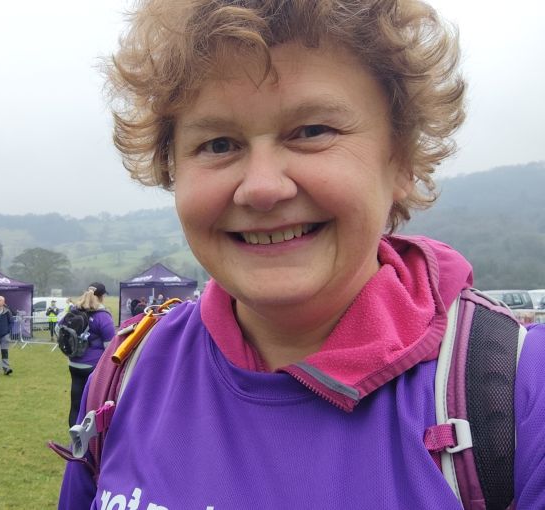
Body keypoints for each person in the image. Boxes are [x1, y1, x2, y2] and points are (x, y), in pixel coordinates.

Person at [58, 1, 545, 509]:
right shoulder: (128, 371)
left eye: (312, 132)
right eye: (219, 144)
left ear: (400, 160)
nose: (262, 187)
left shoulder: (520, 395)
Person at [64, 283, 115, 428]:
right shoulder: (103, 316)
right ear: (101, 296)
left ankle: (74, 434)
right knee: (93, 403)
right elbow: (110, 346)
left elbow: (59, 329)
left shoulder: (74, 311)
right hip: (94, 366)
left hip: (74, 363)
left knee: (75, 402)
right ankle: (90, 435)